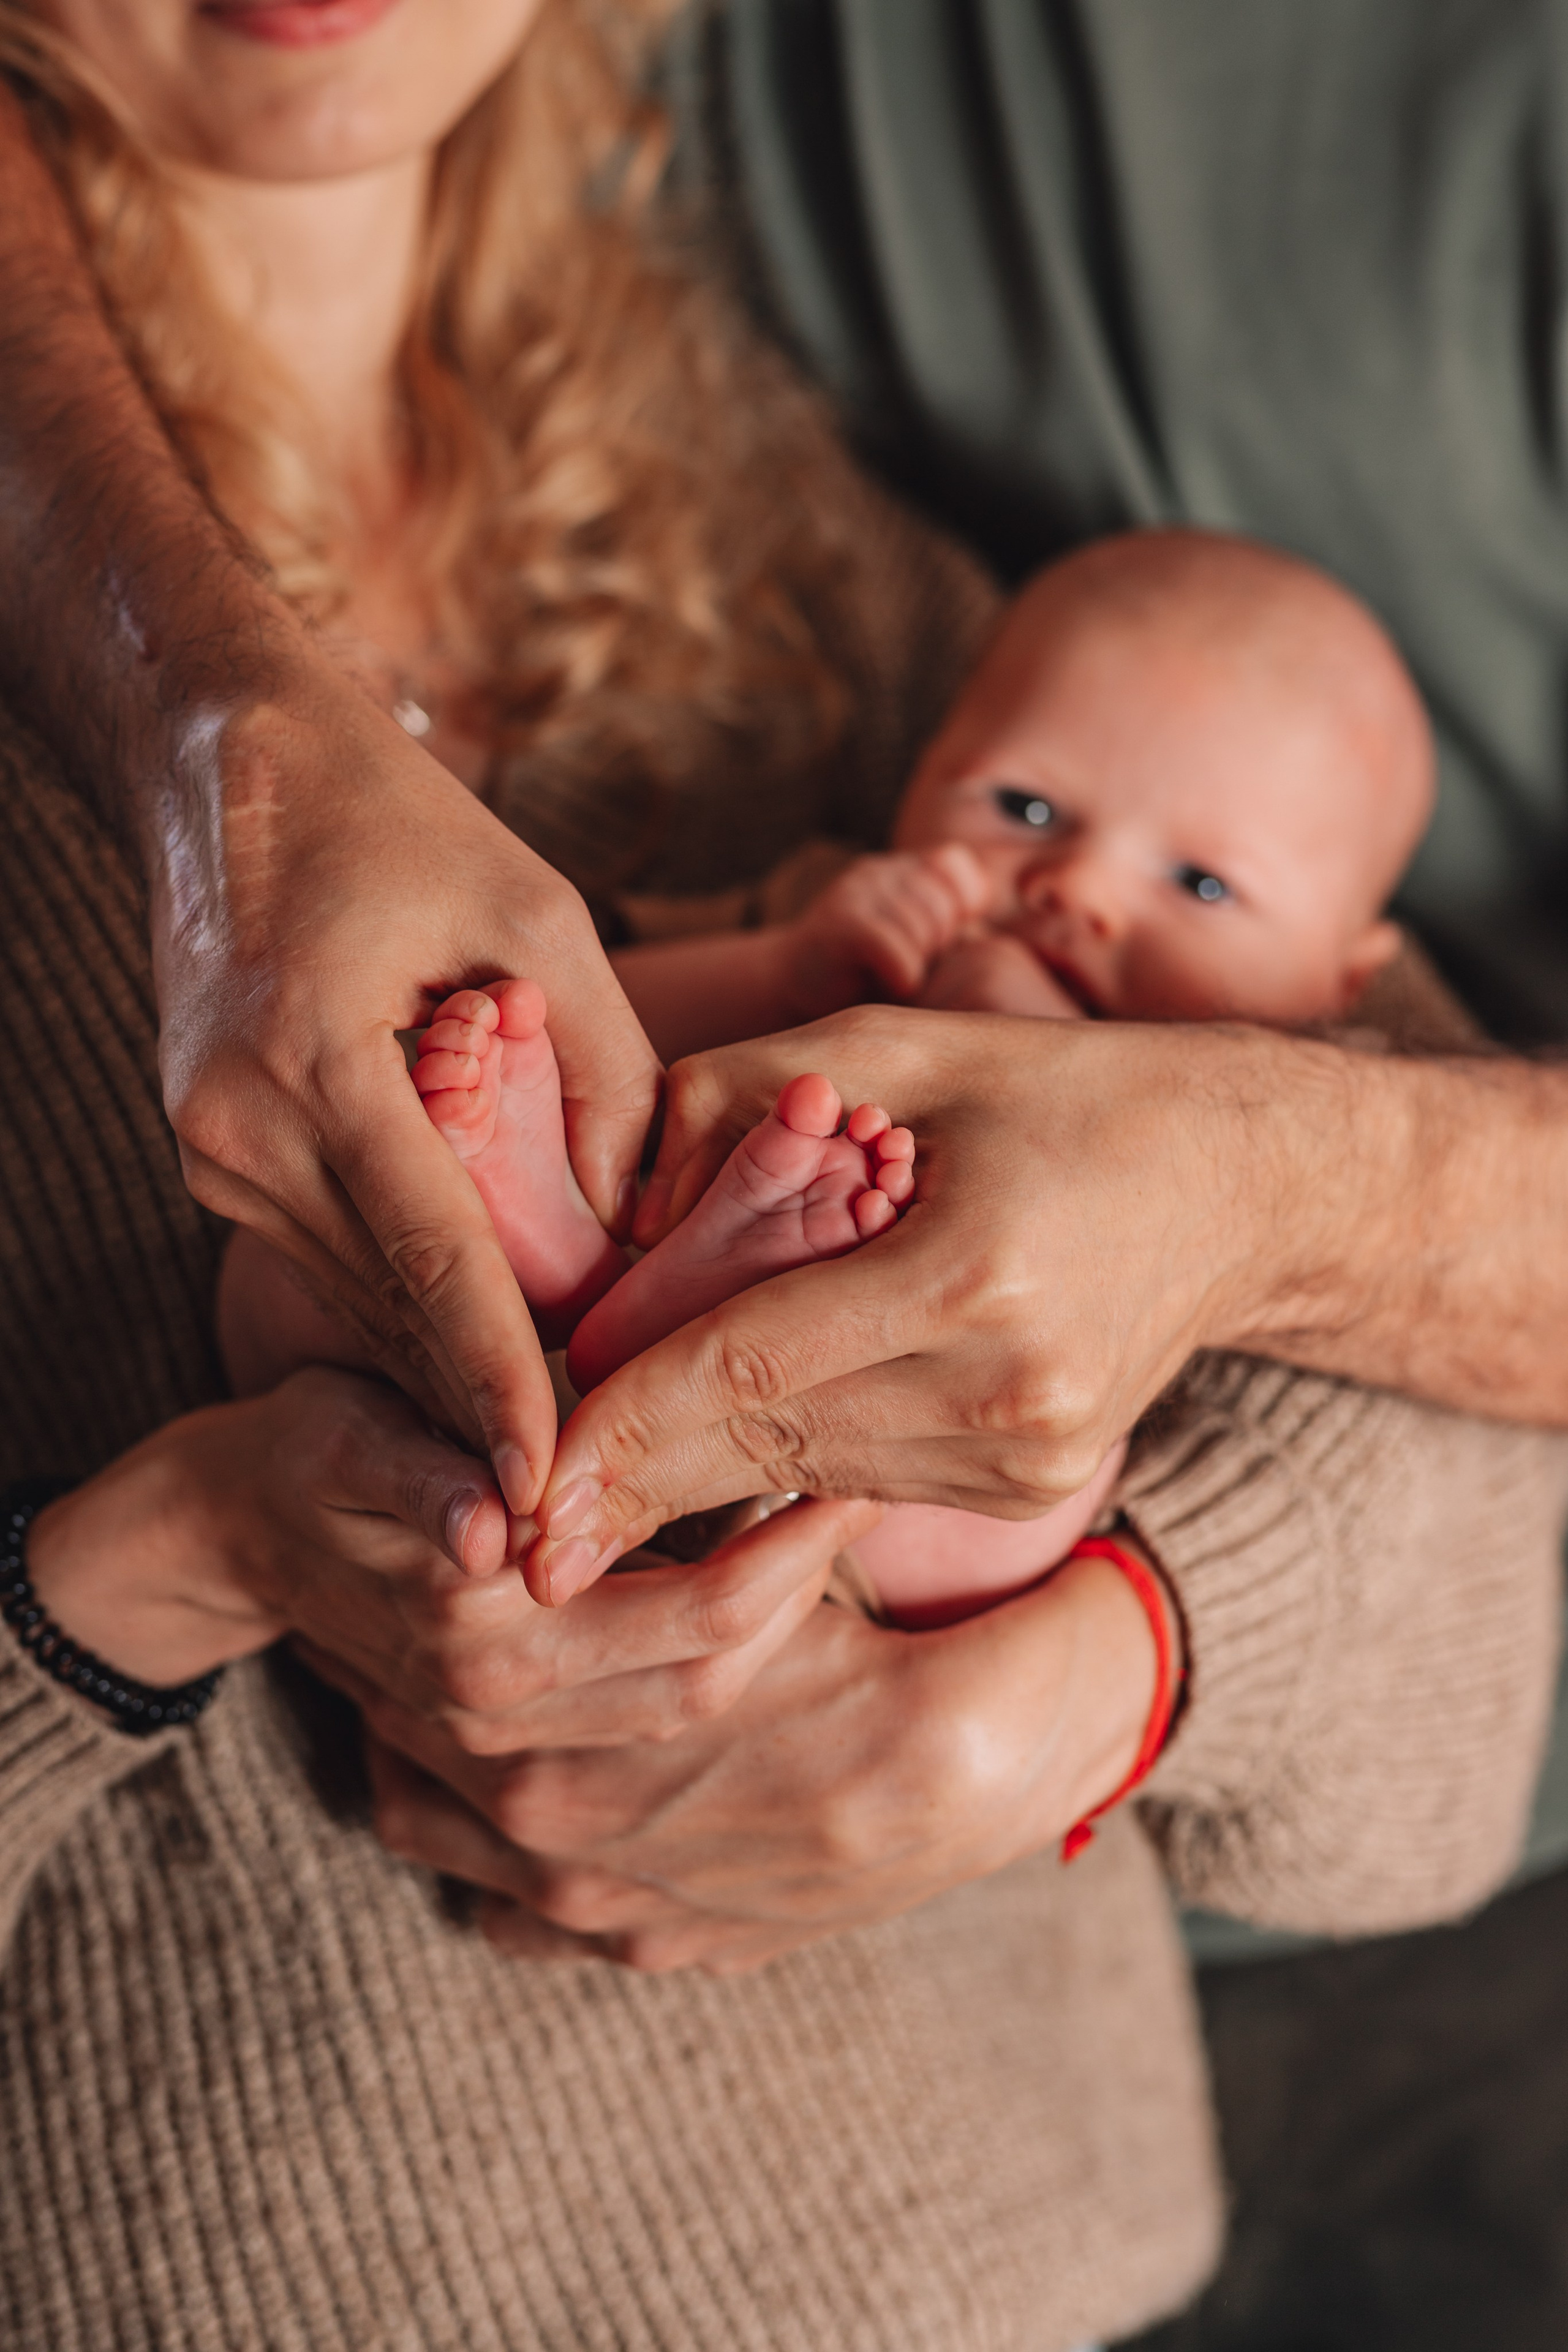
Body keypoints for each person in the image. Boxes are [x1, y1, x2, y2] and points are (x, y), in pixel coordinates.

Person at [0, 8, 1560, 2352]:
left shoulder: (789, 522)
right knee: (338, 1295)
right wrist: (175, 1552)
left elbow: (1475, 1485)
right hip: (292, 2297)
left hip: (1050, 2278)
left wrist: (1083, 1683)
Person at [224, 523, 1436, 1630]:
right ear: (927, 764)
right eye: (1023, 804)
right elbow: (602, 1014)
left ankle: (672, 1292)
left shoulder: (1301, 1115)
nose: (1077, 889)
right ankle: (579, 1261)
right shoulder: (836, 908)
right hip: (505, 1406)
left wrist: (1024, 1030)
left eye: (1203, 886)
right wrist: (785, 965)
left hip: (872, 1527)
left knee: (1043, 1473)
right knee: (287, 1263)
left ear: (1343, 978)